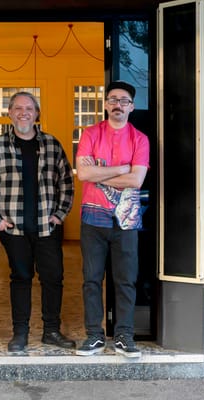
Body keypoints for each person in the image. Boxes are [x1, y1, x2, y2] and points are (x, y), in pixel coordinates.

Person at [0, 91, 76, 352]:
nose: (24, 112)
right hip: (14, 228)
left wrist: (60, 214)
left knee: (53, 278)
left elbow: (66, 181)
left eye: (29, 108)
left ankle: (51, 331)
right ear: (9, 113)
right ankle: (19, 333)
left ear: (37, 114)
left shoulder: (52, 145)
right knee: (20, 278)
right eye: (18, 108)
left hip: (48, 226)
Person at [74, 81, 150, 358]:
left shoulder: (140, 139)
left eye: (124, 100)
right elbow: (83, 175)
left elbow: (137, 179)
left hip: (126, 219)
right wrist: (121, 169)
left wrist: (100, 171)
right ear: (106, 104)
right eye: (113, 99)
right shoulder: (91, 134)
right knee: (91, 279)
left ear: (131, 106)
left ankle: (124, 336)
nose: (118, 104)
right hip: (93, 217)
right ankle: (94, 336)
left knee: (126, 280)